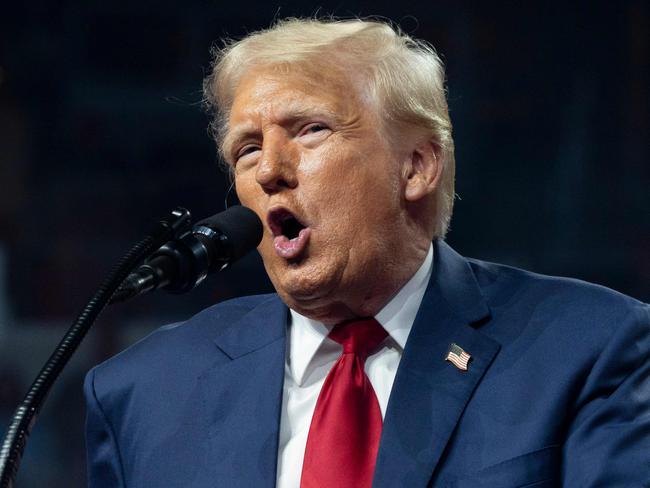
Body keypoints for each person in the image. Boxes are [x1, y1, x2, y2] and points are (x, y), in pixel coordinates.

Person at [84, 18, 650, 487]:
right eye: (248, 148)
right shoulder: (144, 393)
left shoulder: (591, 350)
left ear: (417, 167)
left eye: (309, 130)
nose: (270, 170)